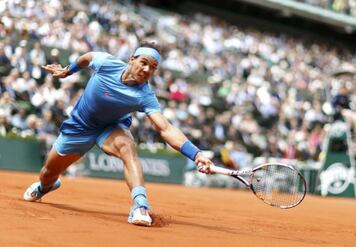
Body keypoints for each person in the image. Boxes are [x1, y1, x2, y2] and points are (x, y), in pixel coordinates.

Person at [23, 41, 213, 227]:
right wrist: (69, 70)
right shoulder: (106, 63)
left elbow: (166, 129)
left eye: (153, 67)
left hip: (111, 128)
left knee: (127, 148)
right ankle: (45, 186)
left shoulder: (145, 95)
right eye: (144, 63)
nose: (147, 70)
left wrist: (196, 154)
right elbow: (86, 58)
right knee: (47, 173)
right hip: (80, 127)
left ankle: (140, 206)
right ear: (132, 59)